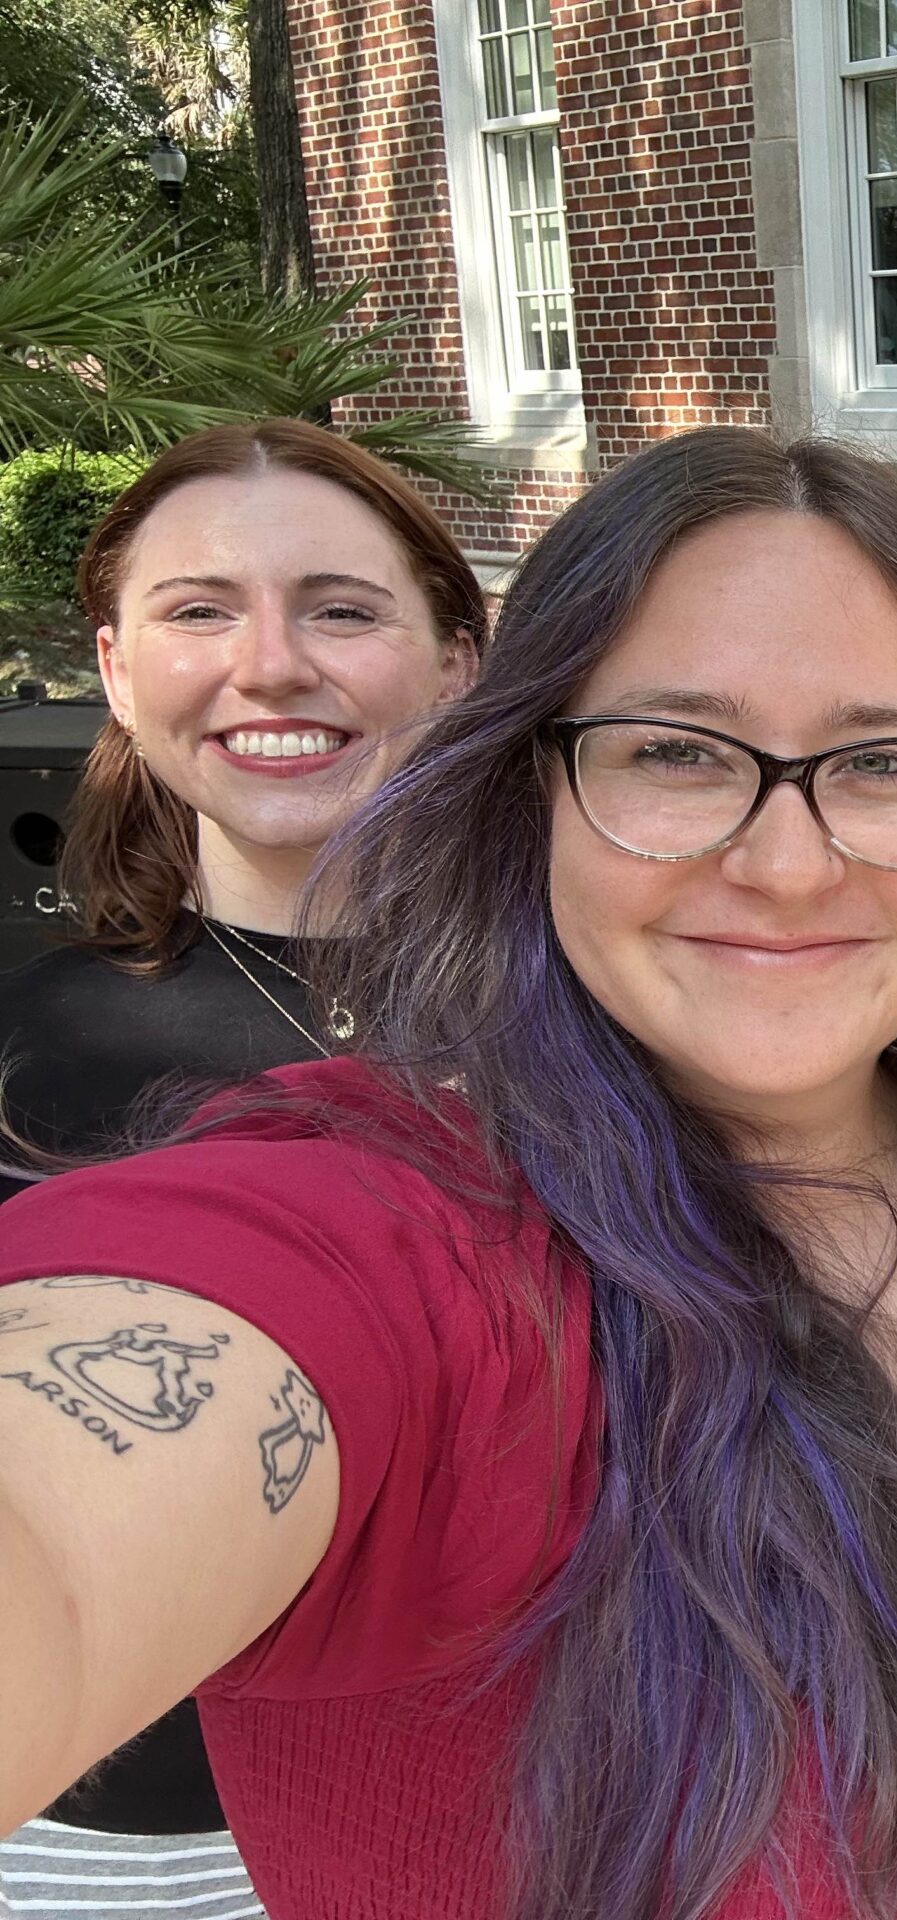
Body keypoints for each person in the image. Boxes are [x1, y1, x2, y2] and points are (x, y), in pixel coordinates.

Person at [0, 429, 897, 1920]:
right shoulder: (403, 1234)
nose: (787, 861)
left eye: (884, 759)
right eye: (677, 753)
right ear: (529, 789)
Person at [0, 419, 485, 1920]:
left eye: (341, 607)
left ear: (458, 663)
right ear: (120, 669)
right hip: (118, 1846)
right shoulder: (36, 1035)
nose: (270, 665)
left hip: (496, 1805)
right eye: (198, 610)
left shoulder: (605, 1018)